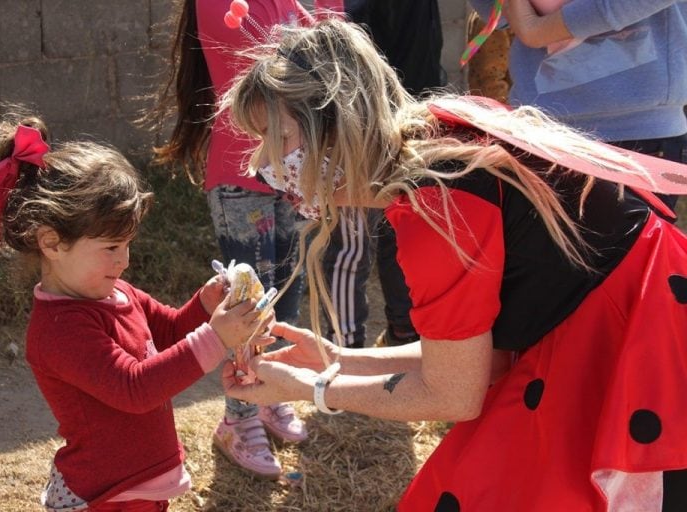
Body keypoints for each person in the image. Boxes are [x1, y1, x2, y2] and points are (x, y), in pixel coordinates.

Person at [218, 18, 687, 511]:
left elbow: (452, 394)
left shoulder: (437, 205)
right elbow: (467, 361)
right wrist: (336, 357)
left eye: (278, 137)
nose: (262, 162)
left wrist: (312, 388)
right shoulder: (436, 140)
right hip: (621, 327)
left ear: (337, 124)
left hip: (641, 349)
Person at [0, 110, 273, 511]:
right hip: (107, 495)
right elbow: (134, 389)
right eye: (110, 247)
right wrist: (215, 337)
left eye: (127, 245)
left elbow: (169, 333)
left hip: (140, 485)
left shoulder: (117, 292)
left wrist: (205, 304)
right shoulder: (59, 331)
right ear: (52, 243)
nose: (123, 260)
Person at [148, 0, 339, 479]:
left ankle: (271, 394)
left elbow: (336, 54)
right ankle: (238, 418)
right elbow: (263, 59)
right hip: (242, 173)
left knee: (288, 297)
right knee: (250, 306)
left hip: (297, 169)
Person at [468, 0, 687, 211]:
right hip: (540, 130)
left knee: (630, 247)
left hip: (638, 133)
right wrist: (531, 26)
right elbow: (493, 11)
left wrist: (539, 30)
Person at [321, 0, 446, 348]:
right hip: (361, 128)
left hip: (414, 124)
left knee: (401, 237)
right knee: (352, 243)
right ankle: (344, 347)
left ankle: (404, 336)